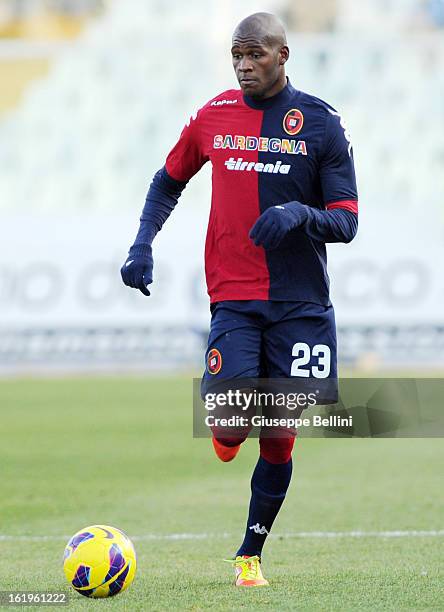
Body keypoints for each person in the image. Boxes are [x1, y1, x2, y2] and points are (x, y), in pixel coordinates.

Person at [120, 12, 358, 587]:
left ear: (282, 55)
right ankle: (231, 432)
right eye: (236, 55)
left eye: (255, 55)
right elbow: (167, 179)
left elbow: (346, 221)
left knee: (278, 437)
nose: (243, 65)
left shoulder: (321, 124)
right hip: (234, 297)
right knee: (227, 431)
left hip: (301, 306)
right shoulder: (214, 116)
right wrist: (141, 244)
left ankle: (249, 553)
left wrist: (299, 214)